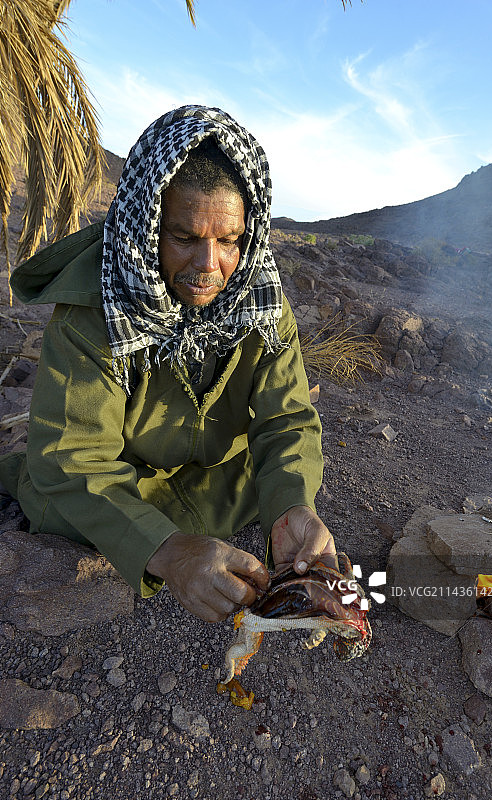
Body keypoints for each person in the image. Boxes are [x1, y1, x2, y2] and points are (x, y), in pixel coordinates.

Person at [0, 105, 337, 623]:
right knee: (55, 497)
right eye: (184, 237)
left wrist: (293, 504)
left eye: (229, 241)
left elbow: (286, 419)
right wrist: (172, 551)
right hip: (126, 477)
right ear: (148, 224)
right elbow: (74, 457)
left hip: (223, 474)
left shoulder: (261, 300)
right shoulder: (95, 312)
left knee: (276, 477)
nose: (209, 266)